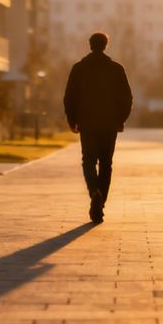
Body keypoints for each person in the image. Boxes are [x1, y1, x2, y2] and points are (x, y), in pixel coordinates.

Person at [63, 32, 133, 224]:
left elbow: (70, 97)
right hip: (109, 124)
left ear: (90, 45)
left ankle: (94, 192)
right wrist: (120, 119)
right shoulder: (116, 69)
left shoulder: (79, 69)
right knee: (106, 163)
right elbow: (127, 98)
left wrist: (72, 119)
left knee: (88, 161)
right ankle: (100, 202)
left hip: (87, 123)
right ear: (105, 45)